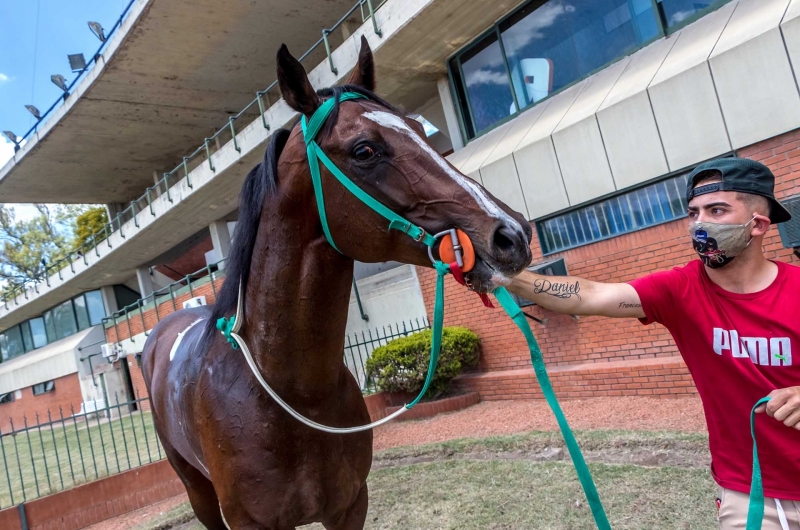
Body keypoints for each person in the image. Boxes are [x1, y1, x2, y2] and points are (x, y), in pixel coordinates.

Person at [500, 158, 800, 529]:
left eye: (717, 210)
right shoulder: (680, 289)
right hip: (750, 492)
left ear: (757, 225)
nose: (699, 223)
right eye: (694, 212)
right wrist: (500, 273)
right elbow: (588, 295)